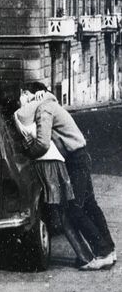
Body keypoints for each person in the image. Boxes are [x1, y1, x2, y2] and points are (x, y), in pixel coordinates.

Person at [21, 81, 116, 270]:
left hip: (74, 161)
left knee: (75, 209)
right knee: (90, 205)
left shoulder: (43, 109)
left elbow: (42, 143)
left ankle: (102, 252)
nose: (21, 98)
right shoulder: (50, 104)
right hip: (80, 156)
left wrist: (27, 151)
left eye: (23, 94)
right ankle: (108, 250)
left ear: (33, 95)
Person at [14, 91, 94, 268]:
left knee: (65, 213)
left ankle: (87, 256)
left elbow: (40, 143)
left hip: (47, 165)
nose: (26, 95)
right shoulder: (37, 108)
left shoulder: (23, 113)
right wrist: (41, 96)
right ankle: (87, 254)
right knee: (64, 212)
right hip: (53, 163)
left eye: (27, 93)